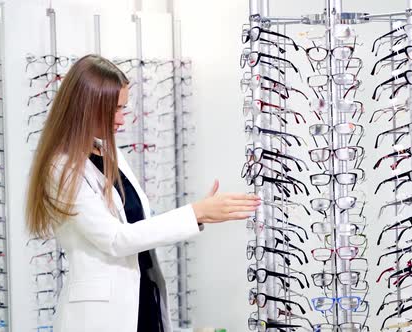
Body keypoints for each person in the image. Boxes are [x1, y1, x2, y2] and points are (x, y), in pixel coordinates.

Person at [25, 54, 260, 332]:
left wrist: (200, 214)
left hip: (142, 298)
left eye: (124, 108)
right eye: (114, 110)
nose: (122, 120)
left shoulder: (110, 153)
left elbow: (138, 223)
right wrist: (194, 212)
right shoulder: (60, 168)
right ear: (86, 107)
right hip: (101, 316)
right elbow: (115, 239)